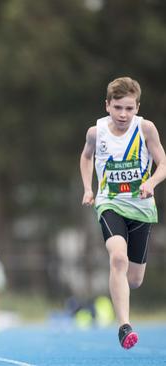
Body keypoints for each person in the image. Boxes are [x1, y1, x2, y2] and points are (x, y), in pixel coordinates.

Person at [80, 76, 166, 349]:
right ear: (107, 106)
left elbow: (162, 162)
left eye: (129, 108)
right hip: (110, 204)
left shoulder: (146, 129)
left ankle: (122, 296)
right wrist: (88, 188)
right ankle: (124, 325)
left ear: (137, 108)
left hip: (141, 208)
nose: (123, 114)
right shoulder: (96, 132)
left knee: (135, 279)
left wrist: (151, 183)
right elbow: (86, 157)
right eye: (118, 107)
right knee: (118, 257)